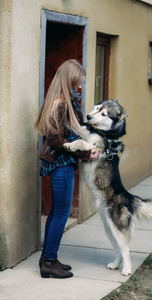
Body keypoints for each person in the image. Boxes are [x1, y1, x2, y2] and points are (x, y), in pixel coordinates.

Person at [35, 59, 99, 279]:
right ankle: (49, 262)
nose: (80, 85)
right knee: (61, 213)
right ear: (69, 79)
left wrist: (88, 148)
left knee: (56, 212)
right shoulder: (61, 103)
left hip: (62, 164)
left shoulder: (63, 101)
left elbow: (70, 135)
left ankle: (48, 258)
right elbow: (56, 140)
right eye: (77, 81)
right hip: (60, 165)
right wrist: (85, 153)